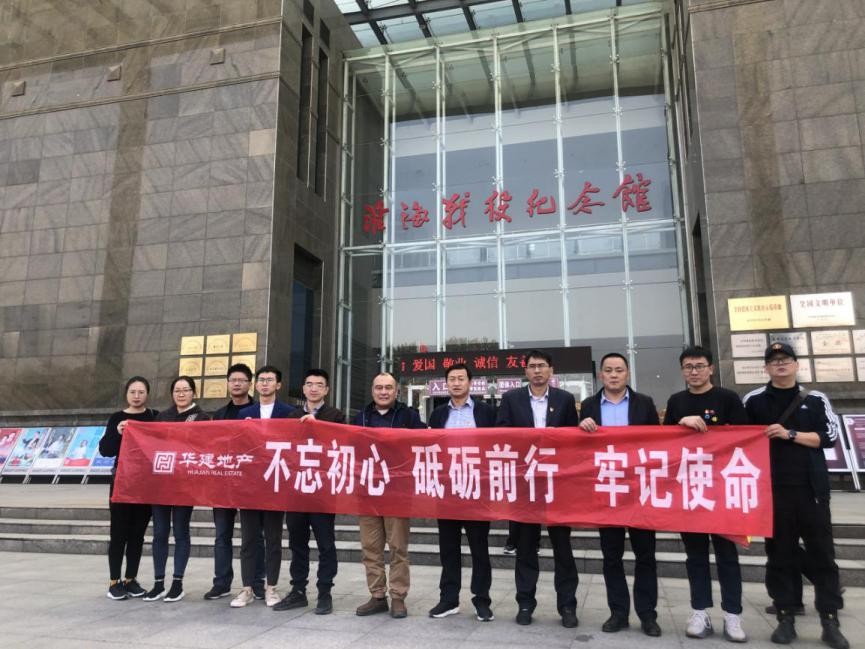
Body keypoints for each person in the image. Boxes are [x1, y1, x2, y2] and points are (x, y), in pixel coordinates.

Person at [744, 343, 849, 649]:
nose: (780, 364)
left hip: (812, 491)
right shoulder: (753, 400)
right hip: (773, 492)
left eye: (786, 359)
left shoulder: (815, 399)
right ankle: (786, 615)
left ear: (796, 364)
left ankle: (830, 619)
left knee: (822, 554)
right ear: (766, 368)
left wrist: (790, 434)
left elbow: (830, 437)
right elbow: (737, 436)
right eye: (774, 361)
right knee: (780, 555)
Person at [663, 346, 747, 642]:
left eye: (699, 366)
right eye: (688, 367)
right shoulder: (676, 401)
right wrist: (680, 423)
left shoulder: (728, 398)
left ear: (711, 368)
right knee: (695, 556)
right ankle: (700, 611)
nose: (694, 371)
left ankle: (733, 615)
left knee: (727, 556)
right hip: (690, 491)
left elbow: (745, 438)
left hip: (723, 491)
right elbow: (664, 443)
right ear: (682, 371)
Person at [579, 352, 662, 637]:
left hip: (639, 490)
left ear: (627, 374)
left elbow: (658, 444)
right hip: (608, 490)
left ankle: (648, 615)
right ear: (600, 375)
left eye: (619, 370)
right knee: (611, 556)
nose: (614, 375)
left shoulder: (645, 403)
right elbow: (580, 449)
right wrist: (581, 428)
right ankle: (618, 612)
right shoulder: (589, 406)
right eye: (608, 370)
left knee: (645, 555)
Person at [497, 349, 579, 629]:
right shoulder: (511, 399)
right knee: (525, 548)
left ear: (550, 370)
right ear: (525, 371)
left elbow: (573, 440)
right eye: (532, 366)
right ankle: (525, 603)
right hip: (526, 485)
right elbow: (501, 435)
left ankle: (567, 606)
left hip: (557, 485)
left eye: (542, 366)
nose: (537, 371)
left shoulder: (565, 400)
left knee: (563, 548)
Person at [353, 372, 426, 619]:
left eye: (388, 388)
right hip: (368, 492)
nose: (383, 392)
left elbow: (423, 444)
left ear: (397, 391)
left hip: (397, 492)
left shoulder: (409, 416)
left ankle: (398, 597)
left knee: (398, 548)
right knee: (370, 548)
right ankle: (377, 596)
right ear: (372, 390)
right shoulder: (361, 417)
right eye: (379, 387)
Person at [427, 363, 496, 622]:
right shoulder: (438, 414)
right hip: (447, 489)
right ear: (446, 384)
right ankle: (449, 599)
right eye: (452, 379)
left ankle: (482, 600)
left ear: (470, 382)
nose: (456, 383)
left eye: (461, 378)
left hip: (477, 488)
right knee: (448, 547)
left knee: (479, 548)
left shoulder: (487, 412)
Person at [275, 368, 345, 615]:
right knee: (297, 543)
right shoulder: (291, 416)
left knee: (326, 544)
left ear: (326, 390)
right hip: (296, 491)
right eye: (309, 384)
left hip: (323, 492)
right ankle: (298, 591)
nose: (314, 388)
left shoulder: (336, 416)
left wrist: (320, 427)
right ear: (303, 389)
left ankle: (325, 592)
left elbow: (342, 446)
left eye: (319, 385)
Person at [231, 365, 295, 608]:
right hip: (249, 484)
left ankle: (271, 588)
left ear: (278, 385)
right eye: (261, 380)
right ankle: (247, 588)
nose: (265, 383)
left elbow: (293, 446)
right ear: (256, 385)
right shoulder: (244, 413)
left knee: (273, 539)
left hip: (275, 483)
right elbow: (236, 445)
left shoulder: (288, 413)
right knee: (248, 539)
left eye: (270, 380)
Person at [144, 376, 211, 603]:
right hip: (161, 483)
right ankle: (158, 583)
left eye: (186, 390)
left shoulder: (202, 418)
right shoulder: (162, 417)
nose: (181, 394)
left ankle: (177, 583)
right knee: (160, 532)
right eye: (177, 390)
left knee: (181, 531)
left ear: (194, 392)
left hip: (184, 484)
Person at [203, 363, 266, 601]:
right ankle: (221, 582)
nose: (237, 384)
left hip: (252, 483)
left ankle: (257, 582)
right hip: (224, 483)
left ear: (250, 384)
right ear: (227, 384)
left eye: (241, 380)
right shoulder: (219, 415)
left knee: (254, 536)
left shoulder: (259, 412)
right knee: (222, 535)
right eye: (233, 380)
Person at [98, 376, 158, 600]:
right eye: (133, 392)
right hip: (122, 483)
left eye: (141, 392)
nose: (137, 396)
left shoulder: (154, 417)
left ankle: (130, 579)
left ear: (147, 394)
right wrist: (117, 432)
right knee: (118, 533)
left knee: (137, 534)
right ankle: (114, 582)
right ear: (126, 394)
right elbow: (105, 450)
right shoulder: (117, 418)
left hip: (146, 483)